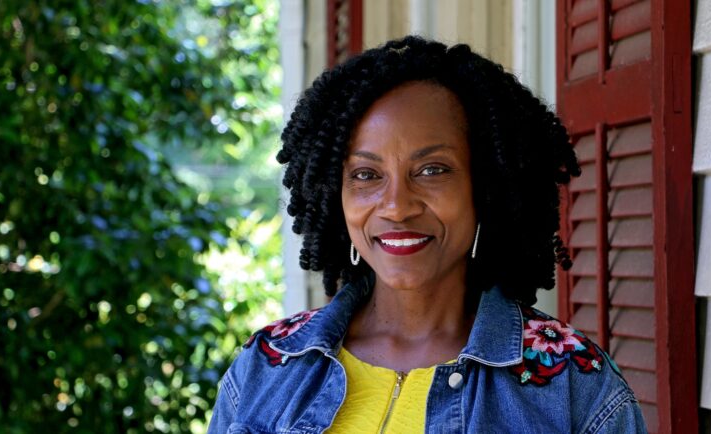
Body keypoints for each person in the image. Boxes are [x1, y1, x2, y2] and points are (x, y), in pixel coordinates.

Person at [208, 36, 647, 433]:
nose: (397, 205)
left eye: (432, 170)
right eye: (365, 174)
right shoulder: (266, 367)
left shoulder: (575, 385)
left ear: (486, 187)